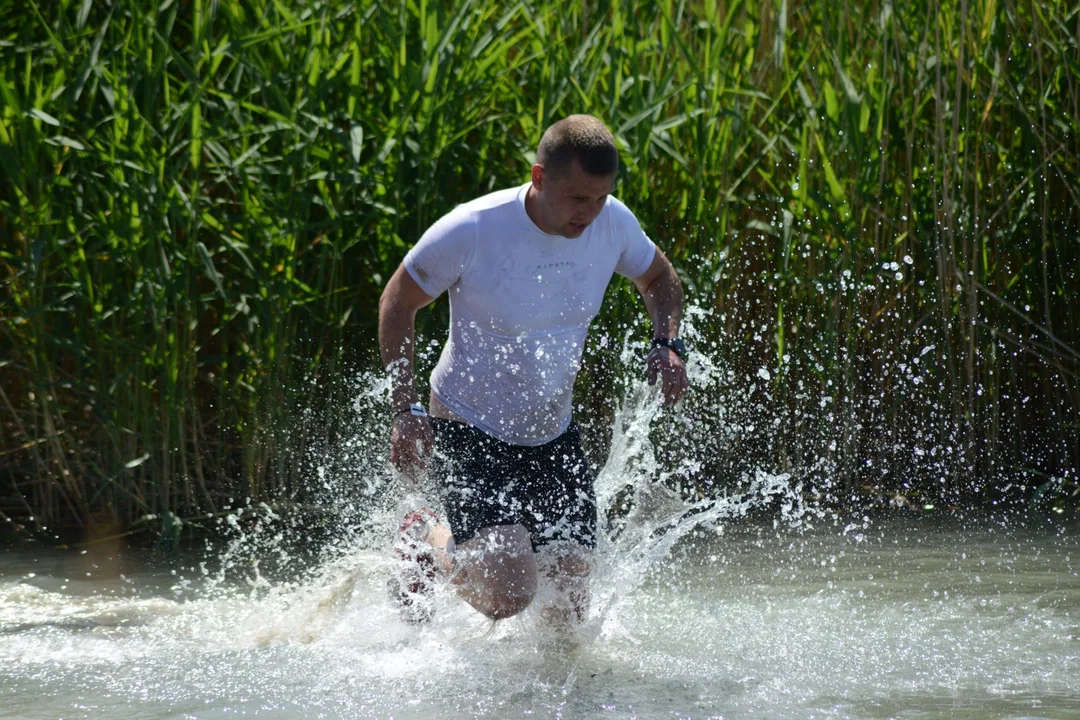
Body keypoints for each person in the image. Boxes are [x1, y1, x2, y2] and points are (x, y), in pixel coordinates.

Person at [378, 114, 688, 626]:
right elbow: (397, 301)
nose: (589, 213)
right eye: (577, 199)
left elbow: (659, 277)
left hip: (552, 432)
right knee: (508, 596)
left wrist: (667, 342)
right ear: (539, 177)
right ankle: (426, 536)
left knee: (566, 615)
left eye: (601, 197)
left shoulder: (612, 222)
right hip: (470, 423)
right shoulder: (474, 228)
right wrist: (405, 408)